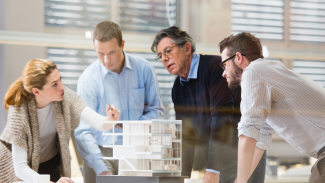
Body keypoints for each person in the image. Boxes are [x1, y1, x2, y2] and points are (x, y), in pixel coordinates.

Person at [151, 26, 265, 183]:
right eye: (160, 56)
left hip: (242, 158)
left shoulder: (216, 68)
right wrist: (178, 177)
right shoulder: (177, 88)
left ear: (187, 48)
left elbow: (222, 120)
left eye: (168, 51)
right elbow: (186, 136)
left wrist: (213, 169)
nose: (164, 58)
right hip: (216, 162)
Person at [219, 32, 325, 183]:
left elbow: (248, 132)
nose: (224, 73)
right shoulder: (268, 73)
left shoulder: (253, 71)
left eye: (224, 65)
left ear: (238, 57)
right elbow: (259, 140)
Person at [0, 59, 121, 183]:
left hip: (51, 161)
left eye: (60, 79)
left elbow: (96, 120)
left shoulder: (65, 96)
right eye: (54, 84)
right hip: (23, 169)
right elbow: (20, 168)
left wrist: (109, 120)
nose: (62, 86)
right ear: (36, 91)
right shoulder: (19, 111)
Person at [74, 21, 163, 183]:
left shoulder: (144, 69)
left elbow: (155, 109)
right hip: (100, 152)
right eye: (100, 53)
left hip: (138, 148)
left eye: (111, 52)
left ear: (122, 44)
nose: (106, 60)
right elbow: (84, 131)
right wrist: (100, 168)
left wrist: (134, 130)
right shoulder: (88, 79)